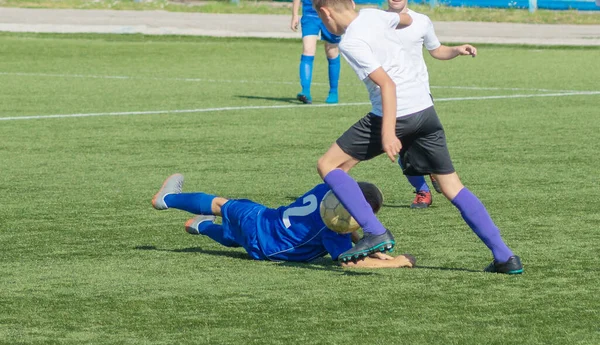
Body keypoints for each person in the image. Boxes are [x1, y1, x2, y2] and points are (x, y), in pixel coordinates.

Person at [313, 0, 522, 274]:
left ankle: (374, 231)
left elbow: (387, 84)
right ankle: (505, 257)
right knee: (452, 187)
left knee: (328, 165)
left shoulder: (350, 41)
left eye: (321, 18)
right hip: (425, 110)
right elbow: (407, 21)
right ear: (351, 3)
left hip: (396, 114)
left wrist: (388, 132)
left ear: (326, 13)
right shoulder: (374, 15)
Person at [151, 174, 415, 269]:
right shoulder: (334, 229)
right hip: (269, 250)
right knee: (235, 237)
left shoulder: (327, 191)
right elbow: (351, 263)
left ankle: (174, 204)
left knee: (223, 205)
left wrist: (381, 254)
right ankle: (194, 220)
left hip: (264, 222)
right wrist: (396, 262)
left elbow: (352, 241)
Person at [388, 0, 477, 209]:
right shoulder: (377, 22)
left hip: (420, 95)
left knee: (426, 146)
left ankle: (435, 170)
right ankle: (423, 191)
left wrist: (456, 49)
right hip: (390, 96)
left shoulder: (421, 21)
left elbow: (436, 50)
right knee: (399, 148)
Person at [291, 0, 342, 104]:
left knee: (332, 52)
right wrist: (295, 15)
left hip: (331, 14)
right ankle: (305, 91)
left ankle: (333, 92)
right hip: (310, 14)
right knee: (307, 50)